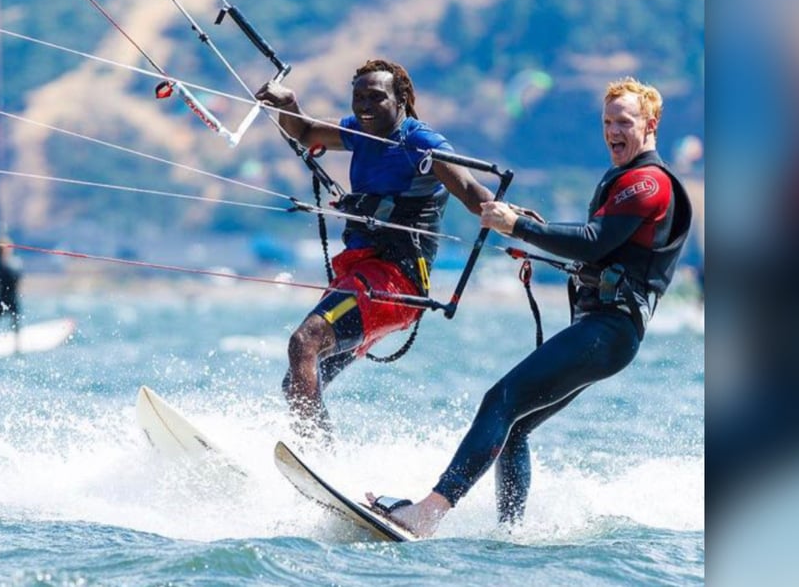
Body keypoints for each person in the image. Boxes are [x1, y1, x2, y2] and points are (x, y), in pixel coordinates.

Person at [365, 76, 693, 537]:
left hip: (609, 331)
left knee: (500, 400)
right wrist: (531, 237)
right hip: (606, 331)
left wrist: (516, 225)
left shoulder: (647, 183)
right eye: (606, 122)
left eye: (624, 122)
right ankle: (512, 533)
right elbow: (602, 250)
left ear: (650, 125)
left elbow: (594, 242)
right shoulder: (626, 180)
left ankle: (428, 513)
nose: (613, 131)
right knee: (515, 425)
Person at [255, 59, 494, 438]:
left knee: (304, 343)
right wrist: (288, 103)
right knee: (297, 381)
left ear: (401, 99)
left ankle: (318, 457)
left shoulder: (420, 142)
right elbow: (305, 132)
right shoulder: (359, 132)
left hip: (395, 284)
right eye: (358, 97)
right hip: (359, 276)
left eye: (376, 97)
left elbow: (469, 191)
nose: (364, 106)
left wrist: (514, 219)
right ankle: (319, 463)